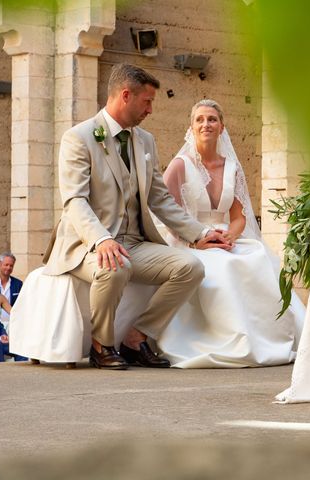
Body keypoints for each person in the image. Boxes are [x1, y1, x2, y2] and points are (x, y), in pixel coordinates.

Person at [42, 64, 230, 370]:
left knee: (190, 267)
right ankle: (102, 345)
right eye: (147, 101)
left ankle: (137, 336)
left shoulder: (146, 141)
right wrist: (101, 239)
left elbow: (160, 198)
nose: (151, 109)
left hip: (135, 241)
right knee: (114, 268)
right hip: (87, 244)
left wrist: (199, 234)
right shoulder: (79, 137)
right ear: (125, 95)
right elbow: (74, 199)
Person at [154, 99, 305, 367]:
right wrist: (197, 241)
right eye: (199, 119)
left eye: (212, 119)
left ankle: (271, 336)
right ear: (191, 127)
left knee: (257, 256)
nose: (206, 124)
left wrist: (231, 237)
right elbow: (165, 215)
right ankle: (230, 339)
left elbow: (238, 217)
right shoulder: (180, 166)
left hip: (225, 237)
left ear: (222, 126)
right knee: (224, 267)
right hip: (189, 240)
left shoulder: (232, 167)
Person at [0, 252, 22, 329]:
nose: (8, 268)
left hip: (12, 324)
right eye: (6, 265)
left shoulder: (18, 284)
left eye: (11, 265)